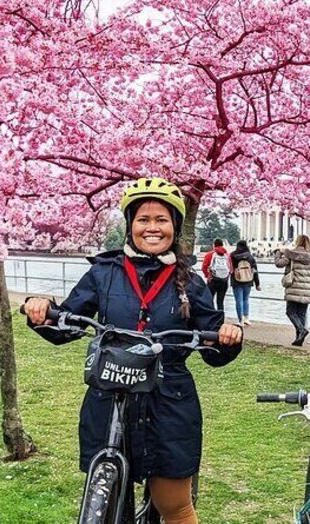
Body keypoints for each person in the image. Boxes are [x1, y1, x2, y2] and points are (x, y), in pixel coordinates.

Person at [24, 178, 243, 524]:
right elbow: (70, 320)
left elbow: (214, 342)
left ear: (174, 226)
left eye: (161, 220)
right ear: (130, 225)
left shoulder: (190, 281)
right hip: (110, 399)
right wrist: (41, 311)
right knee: (110, 501)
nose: (152, 228)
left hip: (169, 401)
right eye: (143, 219)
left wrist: (229, 337)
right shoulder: (103, 272)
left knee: (176, 507)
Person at [275, 234, 310, 346]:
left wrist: (278, 253)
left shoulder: (291, 254)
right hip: (308, 289)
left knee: (290, 311)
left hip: (294, 287)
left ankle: (301, 330)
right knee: (301, 314)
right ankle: (299, 339)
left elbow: (279, 264)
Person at [230, 239, 260, 326]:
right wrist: (257, 283)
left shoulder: (233, 256)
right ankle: (247, 318)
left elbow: (230, 267)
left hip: (236, 280)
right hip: (248, 279)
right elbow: (255, 270)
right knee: (246, 299)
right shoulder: (250, 256)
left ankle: (240, 320)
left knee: (238, 300)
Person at [201, 239, 232, 311]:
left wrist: (208, 275)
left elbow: (204, 267)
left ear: (214, 245)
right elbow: (231, 268)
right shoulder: (227, 255)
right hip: (224, 281)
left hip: (212, 280)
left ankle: (211, 318)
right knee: (220, 301)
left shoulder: (210, 254)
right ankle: (220, 319)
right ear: (222, 245)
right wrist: (226, 276)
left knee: (210, 299)